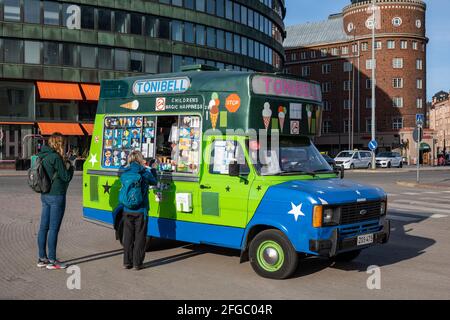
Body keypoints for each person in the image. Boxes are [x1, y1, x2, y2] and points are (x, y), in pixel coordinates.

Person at [37, 133, 74, 270]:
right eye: (63, 143)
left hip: (45, 194)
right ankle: (53, 261)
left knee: (43, 227)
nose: (64, 146)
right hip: (57, 196)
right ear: (59, 144)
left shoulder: (43, 155)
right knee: (53, 229)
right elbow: (65, 177)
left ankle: (42, 258)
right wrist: (71, 167)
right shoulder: (56, 157)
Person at [120, 151, 157, 270]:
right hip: (141, 209)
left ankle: (127, 262)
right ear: (140, 159)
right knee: (140, 236)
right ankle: (137, 263)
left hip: (127, 208)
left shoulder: (125, 171)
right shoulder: (144, 172)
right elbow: (154, 181)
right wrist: (153, 169)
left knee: (128, 236)